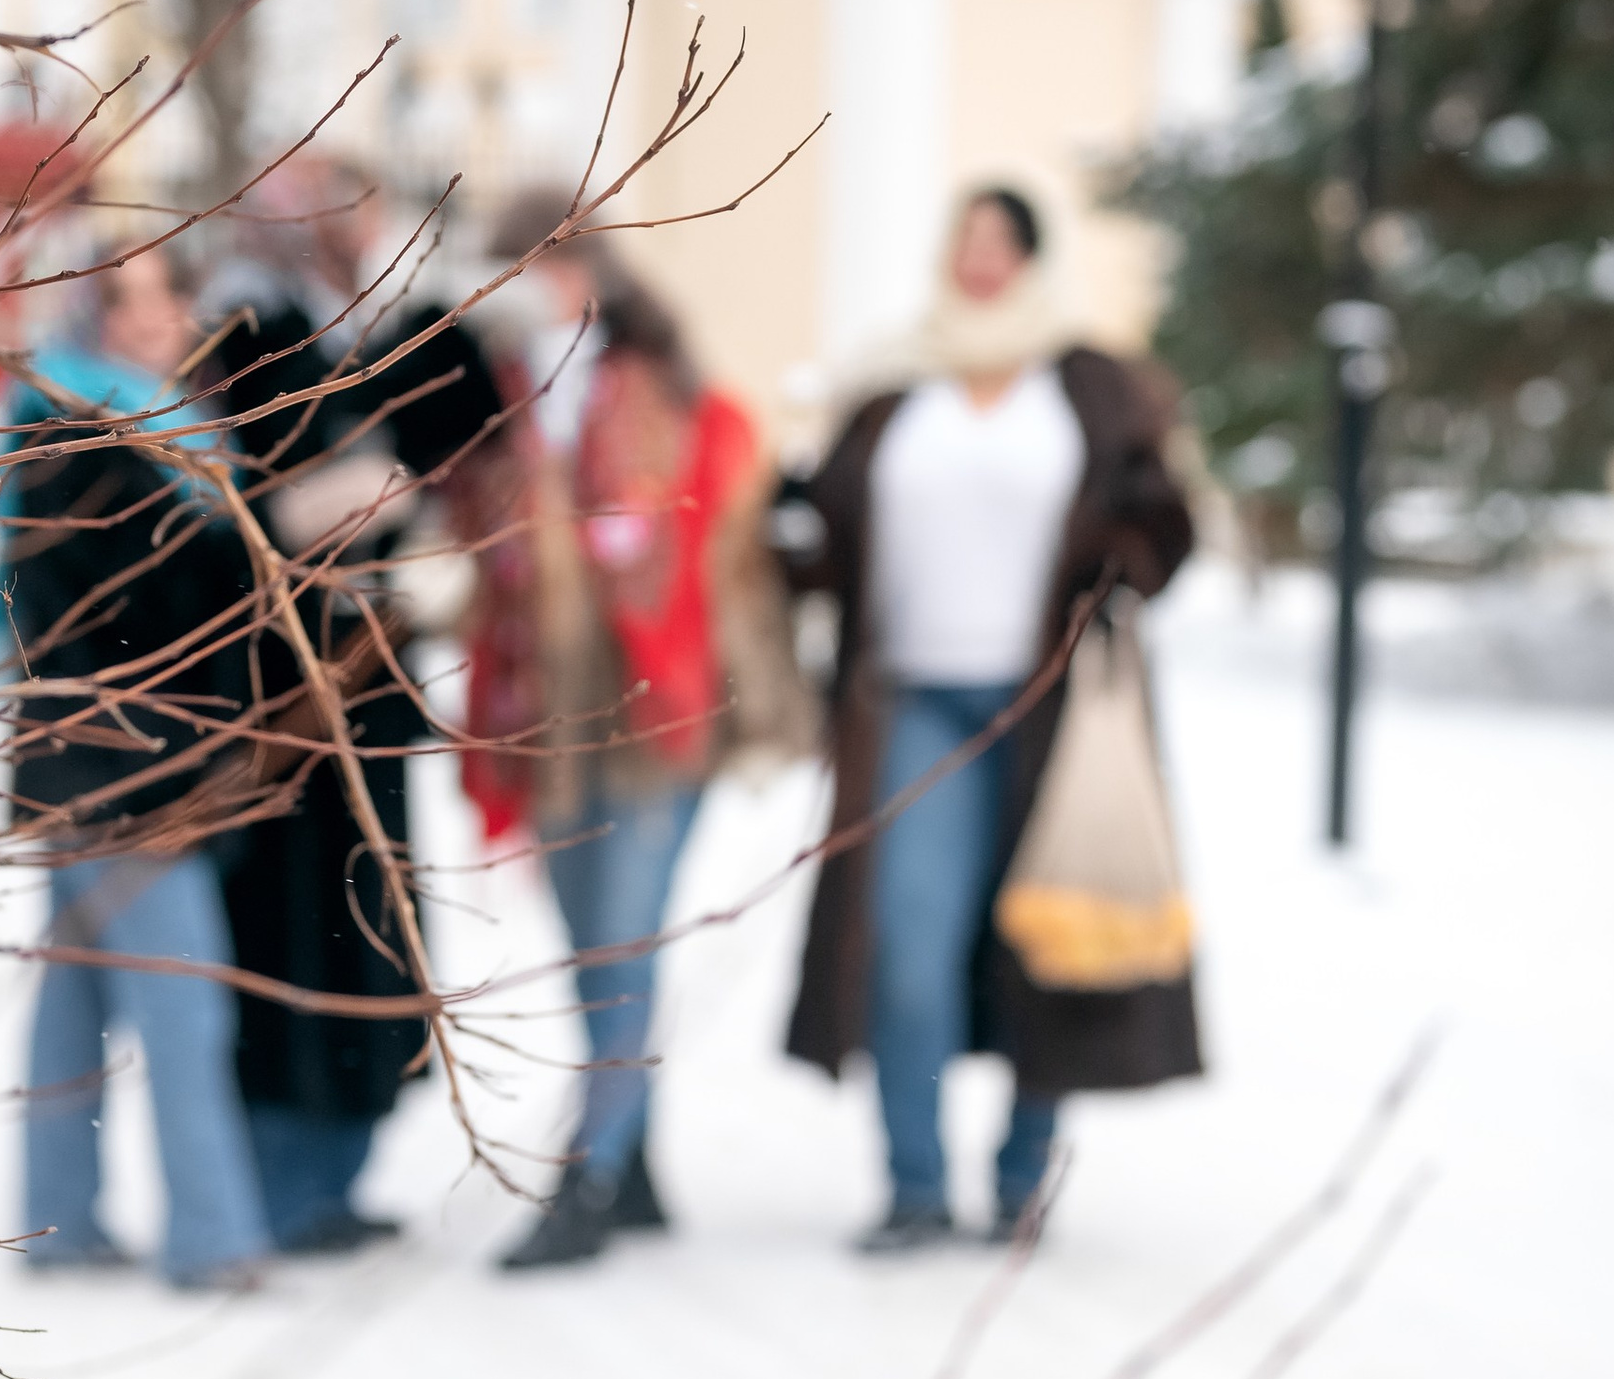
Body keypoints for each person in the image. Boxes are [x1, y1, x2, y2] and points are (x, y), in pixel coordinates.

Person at [782, 183, 1201, 1250]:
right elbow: (827, 524)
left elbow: (1158, 519)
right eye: (964, 240)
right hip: (916, 699)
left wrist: (1129, 556)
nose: (980, 260)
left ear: (1033, 257)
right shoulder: (892, 384)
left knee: (1048, 933)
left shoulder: (1086, 381)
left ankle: (1019, 1181)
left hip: (1056, 706)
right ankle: (913, 1185)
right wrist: (790, 517)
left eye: (1001, 242)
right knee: (907, 941)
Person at [457, 188, 805, 1271]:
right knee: (587, 949)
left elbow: (695, 529)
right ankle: (638, 1160)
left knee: (623, 944)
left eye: (536, 265)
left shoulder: (659, 388)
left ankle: (588, 1177)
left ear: (582, 267)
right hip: (547, 708)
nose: (522, 288)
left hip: (657, 705)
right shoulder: (504, 392)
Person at [201, 160, 505, 1254]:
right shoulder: (245, 326)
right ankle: (282, 1183)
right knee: (287, 937)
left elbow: (465, 430)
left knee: (372, 928)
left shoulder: (398, 329)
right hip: (277, 695)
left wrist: (380, 477)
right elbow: (272, 499)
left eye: (363, 211)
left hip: (369, 689)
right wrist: (371, 482)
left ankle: (334, 1171)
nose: (349, 231)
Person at [2, 236, 274, 1290]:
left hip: (74, 762)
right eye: (145, 306)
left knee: (72, 998)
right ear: (104, 318)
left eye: (174, 303)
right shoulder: (94, 433)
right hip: (128, 774)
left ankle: (56, 1215)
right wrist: (269, 542)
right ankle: (213, 1237)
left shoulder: (84, 422)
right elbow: (143, 602)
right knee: (184, 1003)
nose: (166, 323)